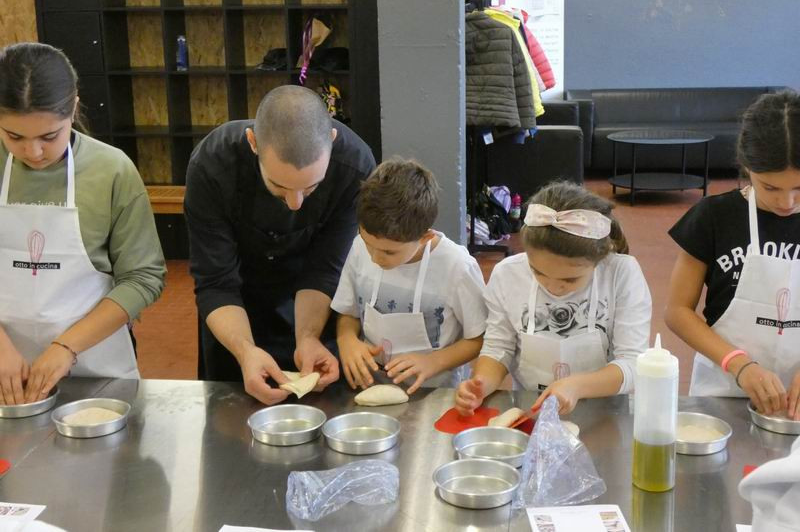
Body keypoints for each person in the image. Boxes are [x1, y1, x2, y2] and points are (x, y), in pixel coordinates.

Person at [185, 85, 376, 405]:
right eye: (278, 186)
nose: (295, 204)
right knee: (232, 416)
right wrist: (245, 351)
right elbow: (215, 282)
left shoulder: (354, 166)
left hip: (313, 304)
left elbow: (325, 269)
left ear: (331, 141)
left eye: (311, 188)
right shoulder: (212, 166)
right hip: (234, 306)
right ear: (253, 142)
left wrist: (308, 338)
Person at [0, 43, 166, 405]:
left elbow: (143, 277)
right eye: (14, 137)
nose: (33, 153)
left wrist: (67, 346)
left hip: (95, 368)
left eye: (49, 136)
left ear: (73, 108)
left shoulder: (111, 170)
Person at [455, 182, 652, 416]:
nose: (553, 286)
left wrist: (577, 386)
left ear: (598, 259)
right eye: (537, 272)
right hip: (531, 410)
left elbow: (633, 363)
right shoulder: (507, 274)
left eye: (570, 279)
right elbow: (499, 347)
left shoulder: (620, 274)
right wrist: (481, 384)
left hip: (605, 413)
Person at [666, 90, 800, 419]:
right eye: (770, 187)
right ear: (746, 166)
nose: (786, 202)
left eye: (799, 188)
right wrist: (738, 363)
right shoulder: (715, 216)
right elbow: (677, 311)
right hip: (725, 389)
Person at [331, 158, 487, 393]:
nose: (375, 258)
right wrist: (347, 340)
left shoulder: (458, 267)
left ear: (425, 237)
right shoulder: (359, 248)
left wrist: (433, 362)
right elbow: (348, 312)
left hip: (433, 391)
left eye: (389, 252)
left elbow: (479, 338)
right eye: (368, 244)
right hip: (370, 384)